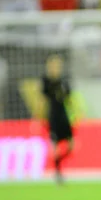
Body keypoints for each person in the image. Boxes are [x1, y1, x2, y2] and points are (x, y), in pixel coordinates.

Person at [41, 55, 73, 185]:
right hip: (53, 116)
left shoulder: (64, 81)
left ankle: (58, 162)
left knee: (71, 146)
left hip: (64, 115)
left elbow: (69, 97)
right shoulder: (47, 81)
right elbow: (43, 99)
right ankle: (58, 172)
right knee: (54, 146)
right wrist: (40, 117)